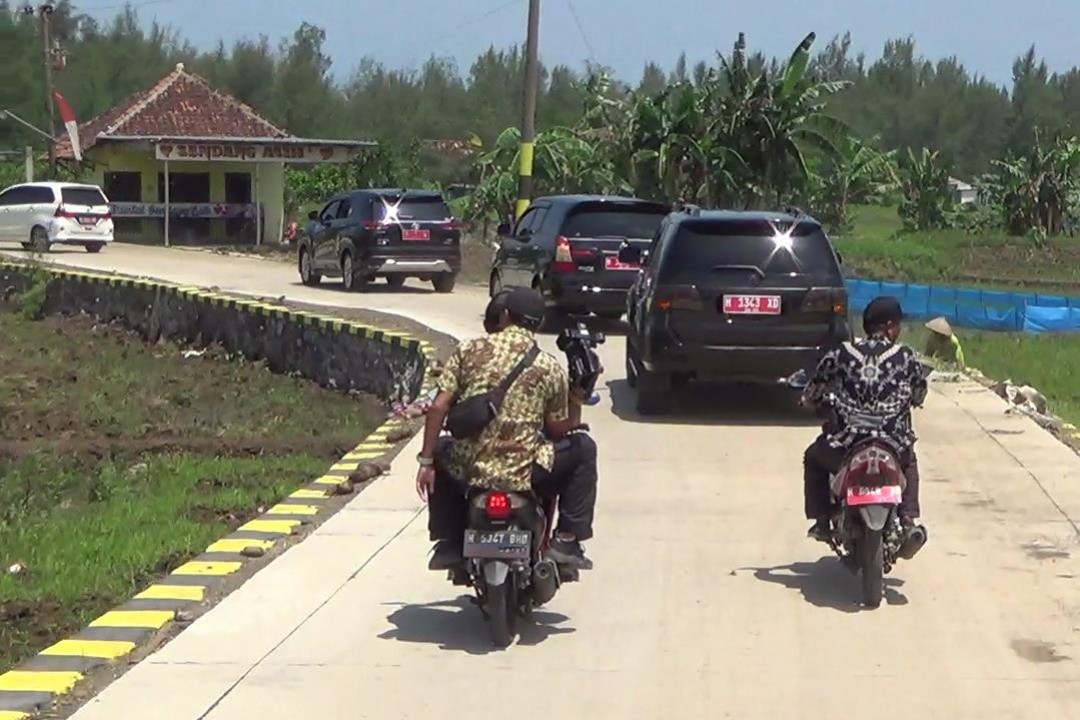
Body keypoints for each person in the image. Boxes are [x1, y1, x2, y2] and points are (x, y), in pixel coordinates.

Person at [416, 286, 600, 570]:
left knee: (441, 449)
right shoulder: (549, 367)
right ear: (538, 324)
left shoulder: (468, 350)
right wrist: (577, 398)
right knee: (584, 448)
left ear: (504, 315)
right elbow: (558, 430)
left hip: (471, 465)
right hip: (526, 469)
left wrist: (426, 461)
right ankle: (566, 539)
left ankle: (449, 540)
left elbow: (438, 407)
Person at [802, 296, 928, 542]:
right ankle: (908, 518)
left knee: (814, 457)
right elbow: (919, 393)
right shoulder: (906, 356)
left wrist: (809, 400)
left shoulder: (842, 353)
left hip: (847, 444)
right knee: (909, 461)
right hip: (892, 444)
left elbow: (814, 387)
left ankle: (822, 520)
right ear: (890, 327)